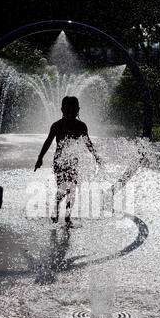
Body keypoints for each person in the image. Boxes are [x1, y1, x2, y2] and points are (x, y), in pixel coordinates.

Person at [34, 96, 101, 226]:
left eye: (73, 110)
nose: (70, 113)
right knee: (62, 188)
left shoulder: (81, 126)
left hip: (73, 162)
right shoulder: (57, 126)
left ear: (78, 110)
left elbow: (88, 143)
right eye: (67, 110)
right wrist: (40, 158)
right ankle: (56, 211)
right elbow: (48, 142)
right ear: (62, 110)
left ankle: (67, 217)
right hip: (59, 162)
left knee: (72, 189)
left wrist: (96, 156)